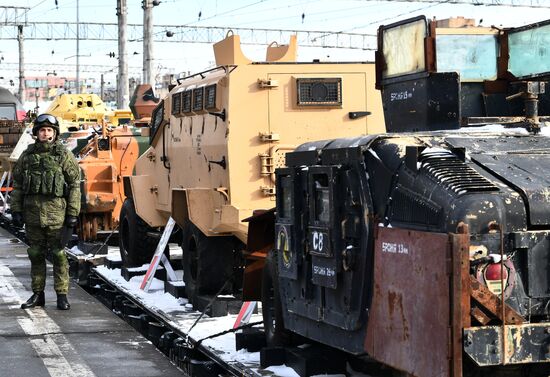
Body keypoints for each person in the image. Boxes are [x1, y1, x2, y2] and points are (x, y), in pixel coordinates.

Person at [11, 113, 80, 310]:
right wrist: (16, 210)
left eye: (49, 130)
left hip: (56, 215)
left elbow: (75, 184)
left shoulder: (63, 155)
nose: (46, 133)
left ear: (55, 133)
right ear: (36, 133)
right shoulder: (28, 155)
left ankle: (62, 294)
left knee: (59, 255)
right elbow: (18, 185)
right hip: (32, 215)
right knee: (35, 254)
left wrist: (73, 213)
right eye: (42, 130)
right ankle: (38, 294)